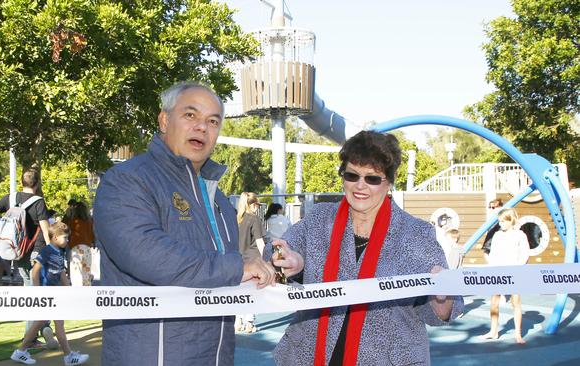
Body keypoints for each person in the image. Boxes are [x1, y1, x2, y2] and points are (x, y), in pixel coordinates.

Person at [93, 81, 276, 365]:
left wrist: (268, 266)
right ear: (164, 120)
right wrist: (236, 267)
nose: (202, 127)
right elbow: (146, 253)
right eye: (190, 115)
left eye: (213, 121)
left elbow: (226, 270)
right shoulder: (127, 180)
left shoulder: (219, 200)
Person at [270, 130, 464, 365]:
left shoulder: (416, 234)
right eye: (352, 175)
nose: (360, 186)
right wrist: (291, 262)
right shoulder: (319, 219)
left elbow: (441, 314)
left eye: (372, 178)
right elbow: (275, 256)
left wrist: (441, 297)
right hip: (307, 356)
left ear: (389, 182)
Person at [0, 168, 56, 349]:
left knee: (31, 293)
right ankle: (35, 335)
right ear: (37, 183)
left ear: (22, 182)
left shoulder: (11, 199)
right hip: (37, 253)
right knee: (38, 295)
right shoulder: (38, 202)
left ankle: (39, 331)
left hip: (18, 254)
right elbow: (44, 230)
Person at [10, 222, 89, 365]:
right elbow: (34, 271)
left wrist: (68, 289)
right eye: (65, 237)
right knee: (55, 324)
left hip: (55, 294)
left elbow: (61, 273)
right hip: (47, 294)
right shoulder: (47, 251)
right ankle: (68, 356)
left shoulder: (61, 251)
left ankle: (21, 352)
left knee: (43, 323)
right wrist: (38, 291)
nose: (67, 240)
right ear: (55, 237)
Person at [481, 207, 529, 344]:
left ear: (511, 220)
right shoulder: (497, 235)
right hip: (498, 272)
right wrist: (491, 268)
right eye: (499, 221)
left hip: (514, 273)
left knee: (515, 302)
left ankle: (518, 334)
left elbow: (525, 255)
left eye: (503, 221)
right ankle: (493, 331)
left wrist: (518, 269)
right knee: (494, 302)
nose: (500, 224)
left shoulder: (520, 235)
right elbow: (494, 253)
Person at [235, 192, 266, 334]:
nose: (257, 208)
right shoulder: (254, 219)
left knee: (238, 292)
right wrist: (266, 258)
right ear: (252, 204)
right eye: (256, 205)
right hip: (253, 259)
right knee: (253, 293)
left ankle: (238, 321)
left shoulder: (236, 219)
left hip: (238, 259)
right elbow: (260, 241)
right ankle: (249, 323)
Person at [63, 201, 94, 286]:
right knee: (86, 272)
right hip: (87, 248)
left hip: (75, 248)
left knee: (76, 273)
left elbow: (64, 228)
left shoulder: (72, 220)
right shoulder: (90, 220)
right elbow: (93, 234)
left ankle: (77, 292)